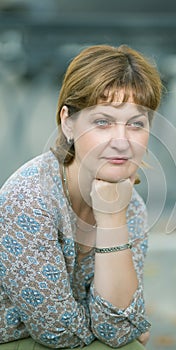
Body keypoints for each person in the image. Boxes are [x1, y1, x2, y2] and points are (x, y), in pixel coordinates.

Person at [0, 44, 162, 349]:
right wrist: (128, 324)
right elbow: (58, 332)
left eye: (136, 124)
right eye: (103, 122)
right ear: (68, 122)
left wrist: (112, 216)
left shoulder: (132, 205)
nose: (122, 141)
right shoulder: (29, 199)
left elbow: (117, 330)